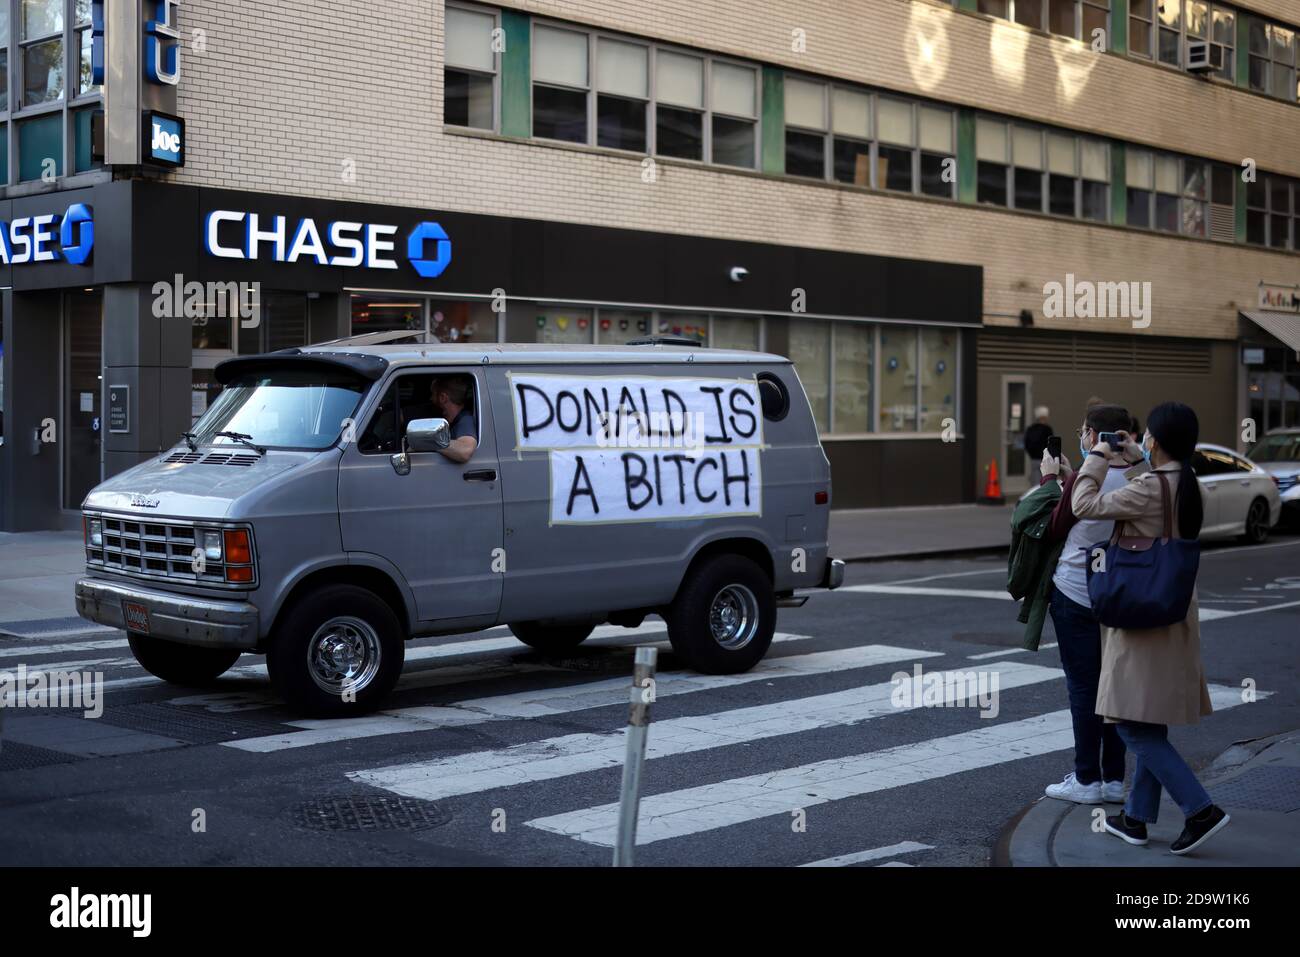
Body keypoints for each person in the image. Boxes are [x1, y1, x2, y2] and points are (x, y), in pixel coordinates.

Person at [1071, 401, 1231, 856]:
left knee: (1128, 722)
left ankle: (1200, 810)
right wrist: (1137, 459)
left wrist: (1097, 457)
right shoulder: (1184, 482)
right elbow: (1153, 484)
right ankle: (1137, 818)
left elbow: (1084, 505)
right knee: (1148, 718)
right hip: (1173, 614)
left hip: (1140, 618)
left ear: (1154, 440)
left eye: (1146, 438)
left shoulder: (1151, 488)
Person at [1037, 404, 1133, 806]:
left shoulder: (1082, 478)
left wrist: (1048, 479)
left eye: (1083, 430)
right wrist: (1066, 478)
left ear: (1093, 436)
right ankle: (1113, 778)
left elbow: (1057, 523)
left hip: (1076, 590)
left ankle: (1086, 779)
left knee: (1083, 686)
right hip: (1120, 592)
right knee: (1114, 685)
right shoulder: (1136, 478)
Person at [431, 374, 478, 464]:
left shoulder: (465, 420)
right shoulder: (454, 420)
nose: (431, 399)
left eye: (432, 394)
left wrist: (426, 442)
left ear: (442, 398)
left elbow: (465, 450)